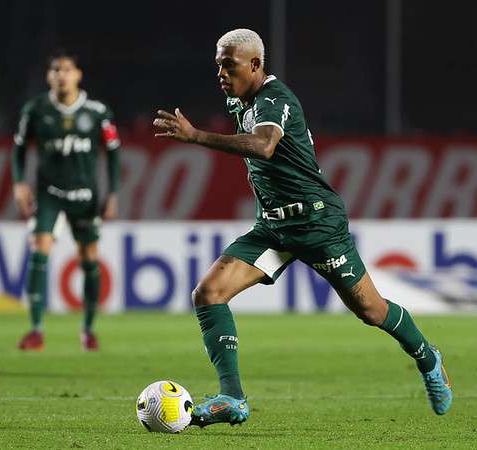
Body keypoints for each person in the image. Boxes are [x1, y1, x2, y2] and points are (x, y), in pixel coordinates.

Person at [153, 29, 452, 427]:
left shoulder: (276, 99)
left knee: (371, 309)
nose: (221, 74)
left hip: (316, 223)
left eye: (229, 65)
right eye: (218, 65)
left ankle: (428, 357)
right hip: (273, 228)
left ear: (256, 65)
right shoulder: (239, 99)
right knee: (208, 293)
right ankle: (233, 397)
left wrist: (196, 136)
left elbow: (263, 146)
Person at [11, 51, 120, 351]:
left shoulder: (98, 112)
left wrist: (113, 193)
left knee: (89, 259)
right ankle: (35, 329)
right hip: (49, 195)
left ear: (78, 75)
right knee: (39, 250)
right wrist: (19, 183)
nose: (62, 74)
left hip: (85, 196)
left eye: (67, 69)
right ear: (49, 76)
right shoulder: (36, 110)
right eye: (56, 70)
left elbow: (113, 153)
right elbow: (19, 148)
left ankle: (88, 329)